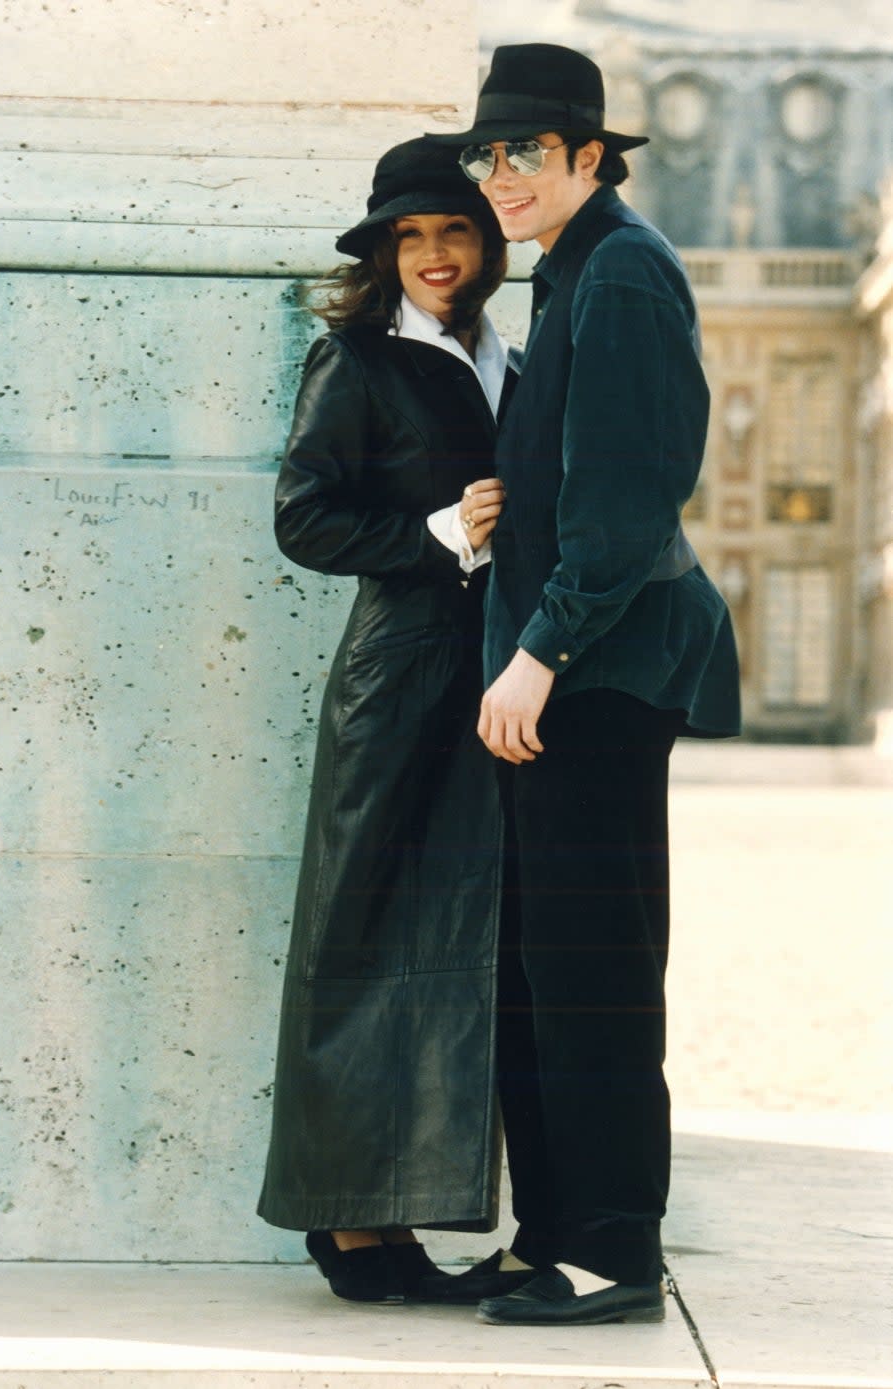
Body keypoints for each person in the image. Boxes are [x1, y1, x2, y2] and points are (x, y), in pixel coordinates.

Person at [422, 44, 742, 1325]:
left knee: (593, 968)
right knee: (538, 969)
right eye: (485, 154)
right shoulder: (574, 274)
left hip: (595, 675)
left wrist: (538, 656)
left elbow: (631, 495)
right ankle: (552, 1230)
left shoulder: (622, 274)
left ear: (590, 159)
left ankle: (610, 1251)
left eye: (528, 153)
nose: (500, 176)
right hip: (569, 667)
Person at [257, 137, 517, 1305]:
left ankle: (399, 1226)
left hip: (495, 684)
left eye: (453, 231)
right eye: (409, 237)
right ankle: (348, 1232)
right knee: (361, 941)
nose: (433, 256)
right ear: (380, 254)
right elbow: (304, 521)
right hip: (397, 681)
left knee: (452, 953)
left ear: (487, 242)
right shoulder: (354, 360)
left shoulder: (514, 354)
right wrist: (434, 533)